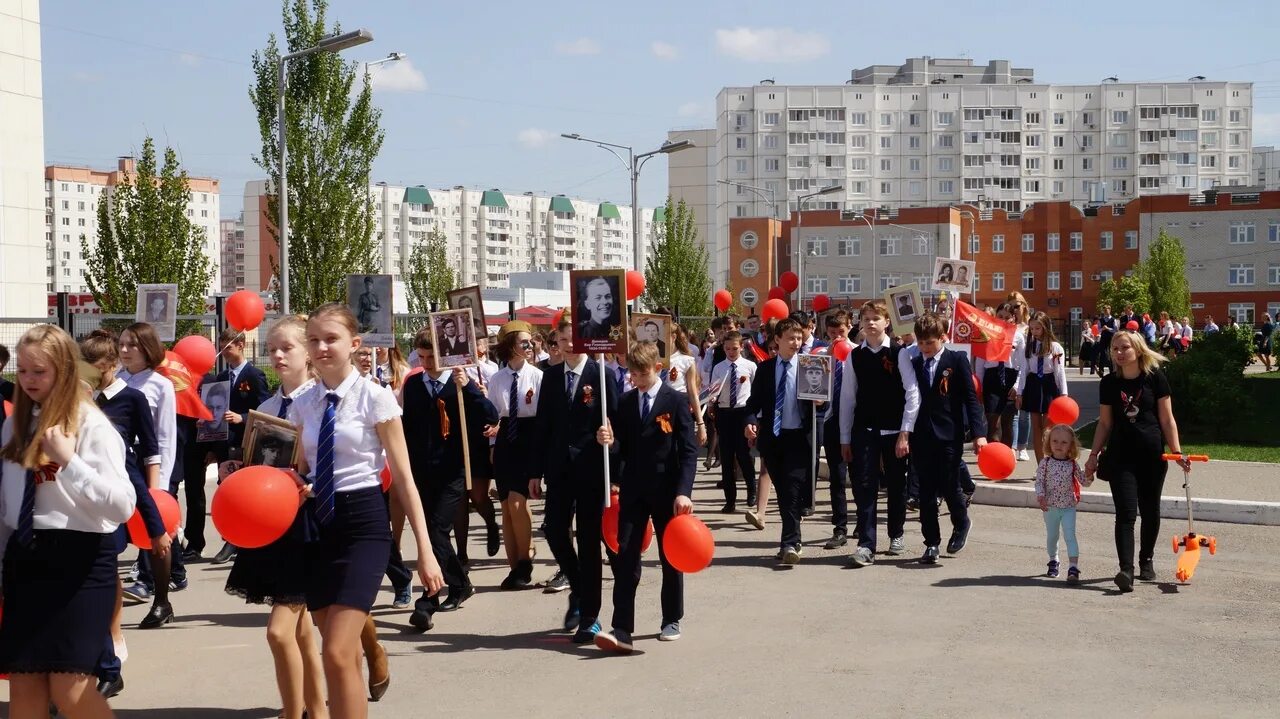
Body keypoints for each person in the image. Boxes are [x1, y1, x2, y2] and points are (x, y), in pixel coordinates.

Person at [289, 303, 444, 717]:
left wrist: (425, 553)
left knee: (338, 653)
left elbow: (405, 481)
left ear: (355, 345)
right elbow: (298, 469)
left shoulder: (375, 399)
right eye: (315, 340)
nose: (322, 347)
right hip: (318, 528)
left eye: (331, 339)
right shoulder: (303, 403)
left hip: (363, 526)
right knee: (336, 653)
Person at [0, 324, 136, 718]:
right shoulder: (13, 427)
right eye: (22, 371)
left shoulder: (92, 426)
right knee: (24, 686)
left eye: (38, 371)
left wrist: (69, 461)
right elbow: (7, 510)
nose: (28, 380)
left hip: (79, 562)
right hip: (25, 561)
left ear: (63, 370)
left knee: (70, 688)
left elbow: (121, 506)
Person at [219, 315, 331, 718]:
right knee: (300, 633)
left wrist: (312, 484)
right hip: (272, 528)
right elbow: (257, 469)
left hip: (309, 526)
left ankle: (295, 709)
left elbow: (336, 461)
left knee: (280, 630)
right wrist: (238, 470)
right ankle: (312, 709)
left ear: (309, 353)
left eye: (288, 348)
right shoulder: (265, 408)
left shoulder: (321, 401)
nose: (278, 355)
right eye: (272, 349)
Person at [593, 340, 698, 653]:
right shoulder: (625, 402)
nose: (635, 378)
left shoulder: (675, 401)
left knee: (670, 557)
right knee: (626, 556)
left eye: (641, 373)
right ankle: (622, 627)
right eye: (632, 373)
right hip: (633, 490)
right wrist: (609, 442)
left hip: (667, 491)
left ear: (658, 369)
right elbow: (621, 447)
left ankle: (671, 618)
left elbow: (689, 451)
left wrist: (684, 492)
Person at [81, 330, 165, 700]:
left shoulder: (132, 399)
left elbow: (148, 452)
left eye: (95, 369)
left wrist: (157, 515)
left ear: (111, 366)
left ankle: (109, 662)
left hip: (116, 501)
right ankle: (98, 660)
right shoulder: (77, 400)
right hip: (80, 505)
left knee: (98, 582)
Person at [529, 319, 619, 643]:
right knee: (553, 529)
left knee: (589, 540)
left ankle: (591, 616)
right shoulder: (551, 377)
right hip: (558, 469)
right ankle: (579, 586)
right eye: (562, 339)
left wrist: (610, 439)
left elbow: (618, 426)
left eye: (573, 338)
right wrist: (534, 472)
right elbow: (543, 426)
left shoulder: (602, 375)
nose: (568, 344)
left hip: (592, 468)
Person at [402, 328, 497, 632]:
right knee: (431, 534)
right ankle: (460, 584)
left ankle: (428, 601)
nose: (427, 363)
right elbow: (408, 428)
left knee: (435, 531)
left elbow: (490, 415)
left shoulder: (458, 385)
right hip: (423, 471)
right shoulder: (415, 385)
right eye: (423, 357)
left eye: (433, 357)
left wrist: (469, 388)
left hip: (454, 470)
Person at [1085, 330, 1188, 593]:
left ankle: (1146, 561)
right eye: (1115, 349)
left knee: (1150, 510)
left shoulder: (1155, 379)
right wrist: (1093, 455)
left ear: (1138, 350)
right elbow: (1105, 423)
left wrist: (1176, 452)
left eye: (1124, 348)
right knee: (1126, 513)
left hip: (1152, 456)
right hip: (1120, 457)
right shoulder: (1108, 384)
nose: (1119, 353)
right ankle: (1126, 570)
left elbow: (1167, 419)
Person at [839, 301, 918, 565]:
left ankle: (896, 533)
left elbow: (912, 393)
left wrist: (905, 432)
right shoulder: (855, 356)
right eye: (866, 318)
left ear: (887, 322)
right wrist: (845, 438)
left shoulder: (899, 353)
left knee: (896, 485)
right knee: (864, 486)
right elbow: (848, 398)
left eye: (876, 318)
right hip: (864, 430)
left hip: (894, 430)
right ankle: (866, 544)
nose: (871, 323)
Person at [906, 312, 987, 564]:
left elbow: (970, 400)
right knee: (926, 493)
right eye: (920, 343)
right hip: (921, 435)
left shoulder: (956, 360)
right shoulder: (914, 363)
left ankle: (961, 523)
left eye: (929, 343)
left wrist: (979, 434)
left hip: (948, 434)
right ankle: (931, 543)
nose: (924, 348)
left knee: (951, 485)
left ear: (942, 337)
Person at [117, 322, 182, 629]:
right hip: (117, 465)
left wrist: (163, 486)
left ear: (148, 348)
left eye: (132, 344)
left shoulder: (160, 384)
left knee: (155, 536)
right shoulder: (115, 380)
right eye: (122, 344)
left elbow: (166, 437)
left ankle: (161, 600)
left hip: (148, 467)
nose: (125, 350)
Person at [744, 318, 813, 565]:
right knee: (784, 492)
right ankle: (792, 540)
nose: (795, 343)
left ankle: (789, 543)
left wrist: (819, 402)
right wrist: (750, 420)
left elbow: (822, 402)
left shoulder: (809, 366)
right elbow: (754, 402)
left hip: (798, 437)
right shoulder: (765, 368)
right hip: (773, 438)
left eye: (799, 338)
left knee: (792, 491)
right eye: (790, 338)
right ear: (777, 340)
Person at [486, 323, 542, 590]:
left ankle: (525, 561)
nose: (529, 347)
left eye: (531, 342)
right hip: (506, 437)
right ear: (510, 346)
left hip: (530, 438)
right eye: (524, 342)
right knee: (507, 504)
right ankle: (514, 567)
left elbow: (542, 414)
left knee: (520, 502)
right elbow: (494, 414)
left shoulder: (537, 376)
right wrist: (493, 440)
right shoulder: (497, 379)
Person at [209, 327, 271, 566]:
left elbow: (265, 408)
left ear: (242, 345)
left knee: (241, 492)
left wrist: (242, 418)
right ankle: (232, 538)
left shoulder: (254, 375)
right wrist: (212, 446)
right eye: (222, 347)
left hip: (244, 442)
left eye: (229, 347)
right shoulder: (221, 378)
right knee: (225, 489)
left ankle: (234, 542)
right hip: (225, 443)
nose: (225, 352)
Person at [708, 331, 757, 514]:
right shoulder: (719, 367)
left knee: (744, 455)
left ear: (741, 347)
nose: (730, 351)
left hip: (743, 412)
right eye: (727, 348)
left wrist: (754, 417)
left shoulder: (750, 366)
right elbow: (713, 390)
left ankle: (752, 489)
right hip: (724, 412)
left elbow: (755, 390)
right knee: (727, 458)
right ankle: (730, 500)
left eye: (734, 348)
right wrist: (711, 404)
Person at [1036, 423, 1090, 584]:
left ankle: (1073, 567)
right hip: (1050, 507)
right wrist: (1041, 496)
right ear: (1049, 443)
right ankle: (1054, 559)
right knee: (1052, 536)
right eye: (1055, 441)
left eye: (1064, 442)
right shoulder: (1045, 463)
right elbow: (1039, 482)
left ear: (1071, 446)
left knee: (1070, 536)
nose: (1059, 445)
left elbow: (1083, 482)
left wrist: (1089, 475)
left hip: (1068, 507)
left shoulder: (1073, 464)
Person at [1014, 312, 1068, 464]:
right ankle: (1041, 466)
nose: (1034, 332)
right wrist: (1020, 393)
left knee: (1047, 428)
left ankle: (1050, 461)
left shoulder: (1055, 347)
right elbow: (1024, 371)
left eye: (1038, 328)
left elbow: (1060, 371)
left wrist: (1063, 394)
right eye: (1032, 329)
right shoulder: (1028, 347)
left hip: (1049, 385)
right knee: (1036, 428)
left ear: (1045, 327)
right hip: (1033, 386)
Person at [1006, 292, 1032, 461]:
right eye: (1011, 306)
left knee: (1024, 413)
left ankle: (1023, 446)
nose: (1014, 309)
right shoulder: (1008, 326)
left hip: (1029, 371)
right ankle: (1013, 447)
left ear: (1024, 305)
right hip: (1013, 371)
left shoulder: (1030, 326)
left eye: (1017, 305)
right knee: (1013, 412)